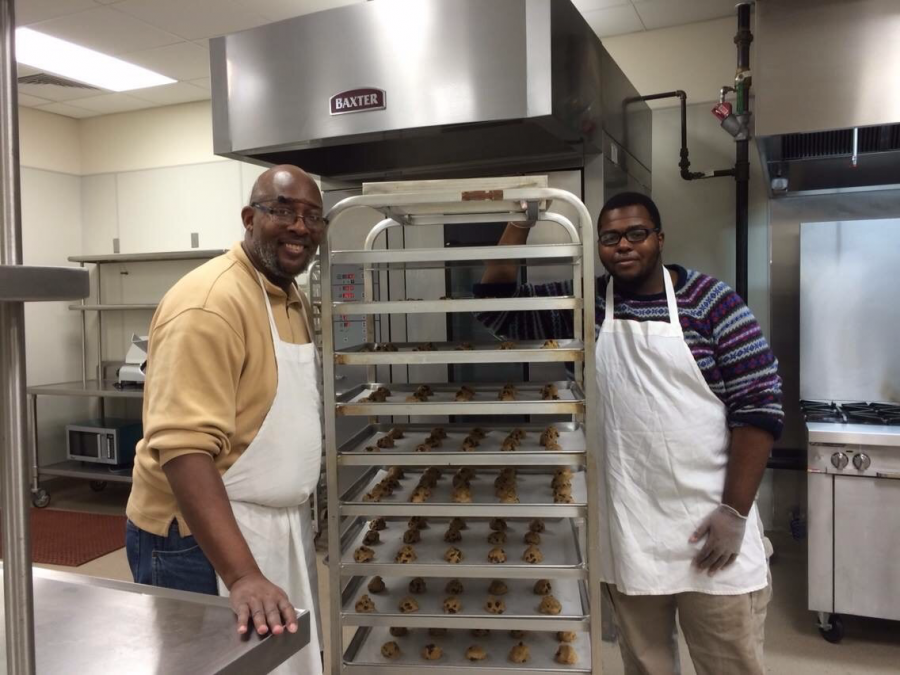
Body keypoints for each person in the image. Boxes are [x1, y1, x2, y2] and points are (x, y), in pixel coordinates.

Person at [477, 191, 781, 675]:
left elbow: (760, 408)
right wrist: (519, 224)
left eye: (636, 233)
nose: (624, 245)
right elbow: (498, 311)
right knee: (646, 665)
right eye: (610, 237)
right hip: (633, 533)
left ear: (659, 238)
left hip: (713, 530)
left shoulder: (712, 303)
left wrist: (734, 513)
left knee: (731, 665)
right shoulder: (588, 303)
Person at [125, 165, 326, 674]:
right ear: (249, 218)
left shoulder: (288, 293)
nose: (300, 227)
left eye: (311, 216)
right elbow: (183, 450)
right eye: (283, 211)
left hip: (270, 526)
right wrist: (241, 575)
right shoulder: (210, 304)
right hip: (198, 542)